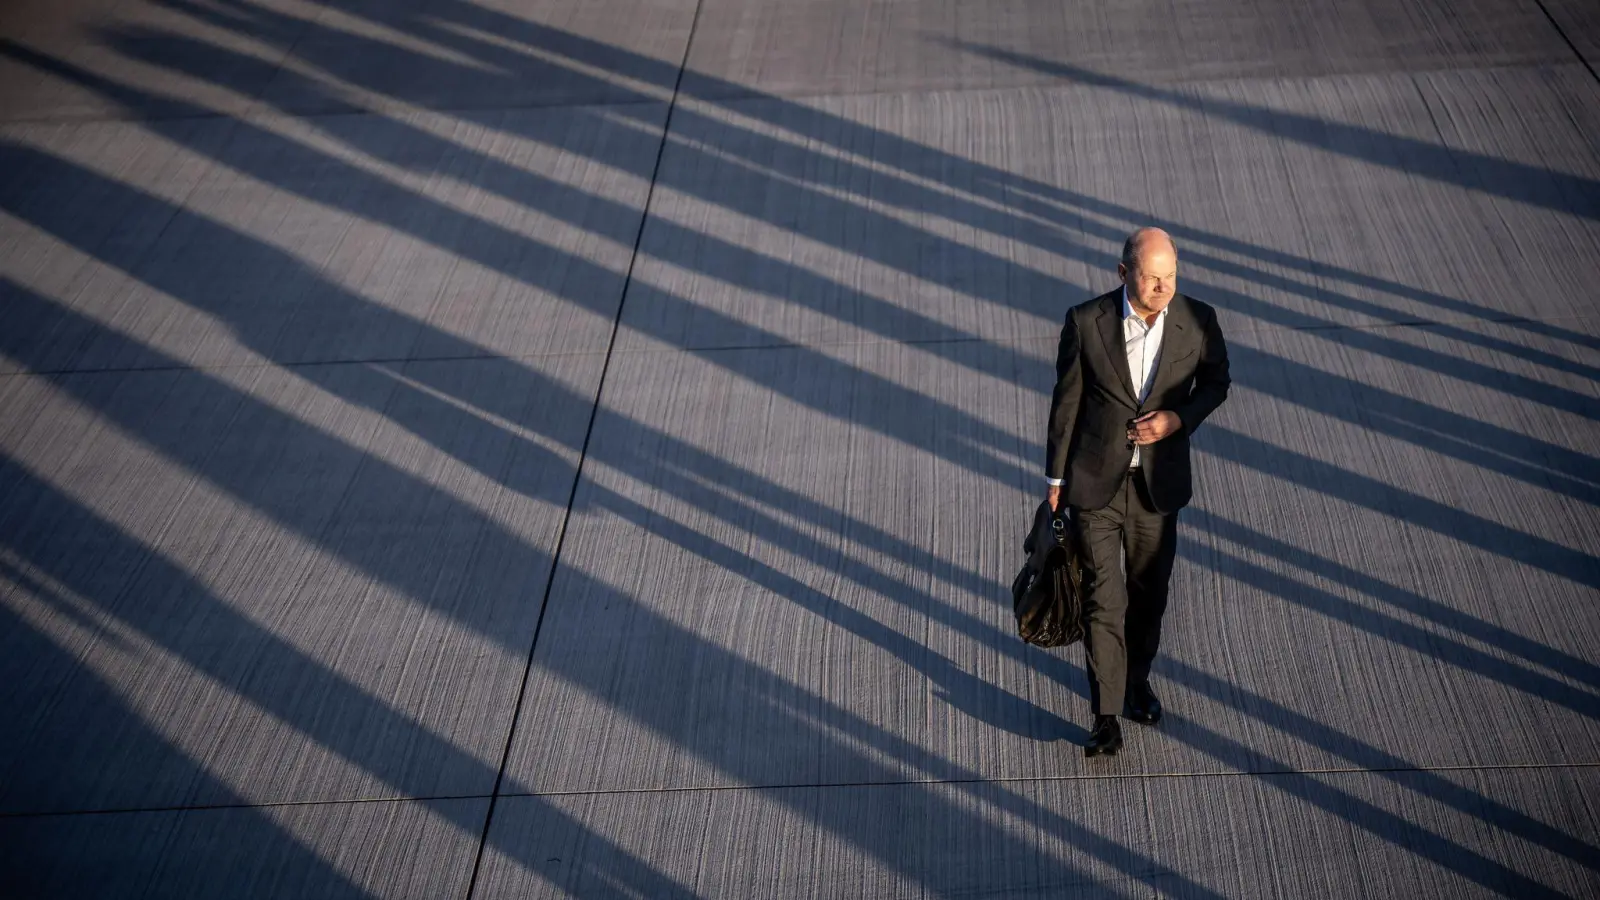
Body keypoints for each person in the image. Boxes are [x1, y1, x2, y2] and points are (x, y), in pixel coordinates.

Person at [1045, 227, 1231, 757]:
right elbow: (1066, 404)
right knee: (1105, 599)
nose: (1162, 287)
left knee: (1149, 597)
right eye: (1152, 277)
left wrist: (1178, 418)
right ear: (1124, 272)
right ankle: (1105, 716)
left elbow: (1217, 383)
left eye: (1170, 275)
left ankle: (1136, 681)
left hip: (1158, 488)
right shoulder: (1086, 322)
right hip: (1095, 486)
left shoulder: (1198, 321)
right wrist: (1055, 481)